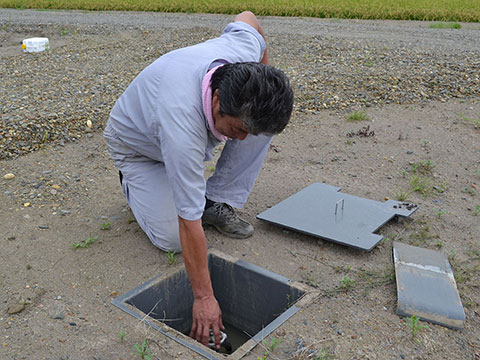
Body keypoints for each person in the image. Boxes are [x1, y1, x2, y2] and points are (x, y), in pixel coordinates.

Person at [103, 11, 293, 350]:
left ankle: (217, 199)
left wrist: (264, 67)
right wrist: (204, 297)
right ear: (218, 99)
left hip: (176, 129)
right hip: (139, 149)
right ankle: (135, 183)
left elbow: (248, 18)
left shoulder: (243, 58)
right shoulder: (182, 129)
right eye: (234, 129)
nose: (237, 140)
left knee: (260, 131)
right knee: (172, 238)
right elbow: (187, 222)